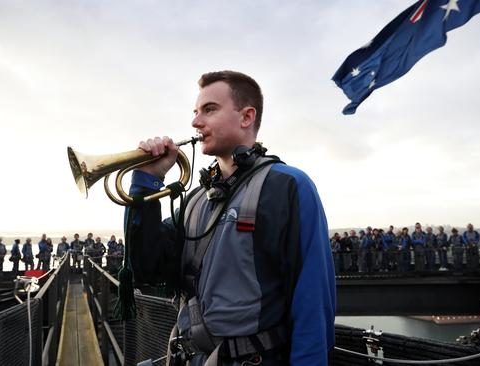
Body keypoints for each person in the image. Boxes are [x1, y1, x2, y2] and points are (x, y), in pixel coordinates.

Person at [129, 71, 335, 365]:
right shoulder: (196, 198)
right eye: (196, 112)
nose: (195, 122)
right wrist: (146, 184)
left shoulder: (289, 186)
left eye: (209, 109)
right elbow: (146, 269)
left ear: (246, 117)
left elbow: (312, 300)